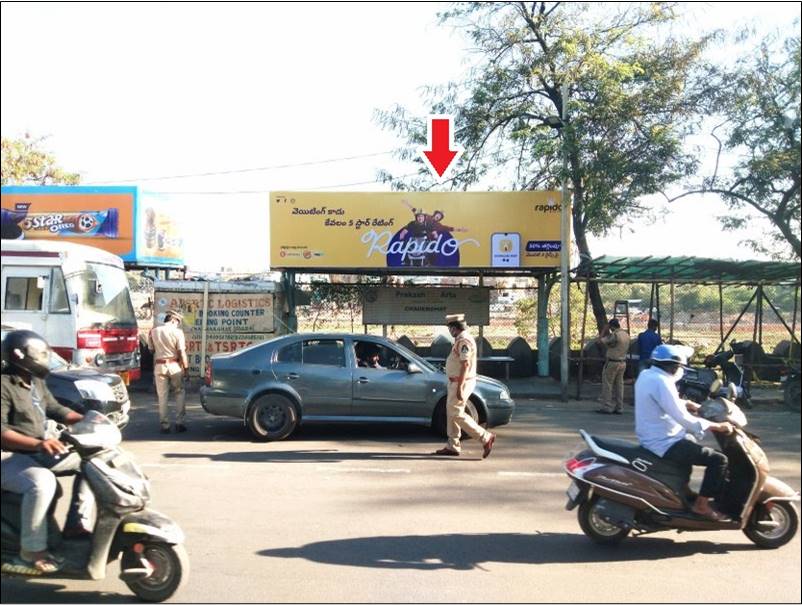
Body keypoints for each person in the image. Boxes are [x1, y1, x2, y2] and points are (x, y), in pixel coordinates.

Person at [1, 330, 95, 574]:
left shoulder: (35, 382)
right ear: (21, 355)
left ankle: (76, 524)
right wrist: (39, 444)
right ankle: (30, 552)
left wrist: (89, 421)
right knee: (41, 482)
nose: (45, 358)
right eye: (41, 354)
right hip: (8, 456)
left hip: (34, 451)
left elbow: (56, 409)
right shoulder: (3, 385)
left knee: (93, 462)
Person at [635, 344, 733, 521]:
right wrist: (718, 426)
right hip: (665, 442)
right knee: (719, 460)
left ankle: (684, 491)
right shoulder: (662, 382)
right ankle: (702, 506)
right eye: (679, 367)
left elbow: (666, 402)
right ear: (673, 366)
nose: (680, 370)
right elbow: (684, 420)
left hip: (653, 437)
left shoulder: (647, 375)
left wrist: (689, 404)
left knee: (690, 442)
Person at [434, 314, 496, 458]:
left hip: (460, 382)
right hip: (455, 381)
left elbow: (465, 364)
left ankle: (485, 437)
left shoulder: (464, 341)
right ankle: (453, 445)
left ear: (455, 328)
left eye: (450, 328)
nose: (449, 331)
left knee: (456, 413)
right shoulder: (461, 340)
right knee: (452, 413)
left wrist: (460, 387)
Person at [148, 309, 189, 433]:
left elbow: (151, 351)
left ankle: (165, 425)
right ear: (173, 320)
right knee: (179, 392)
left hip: (159, 366)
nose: (178, 324)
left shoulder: (153, 331)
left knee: (162, 396)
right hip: (174, 365)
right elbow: (181, 352)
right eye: (177, 322)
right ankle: (179, 423)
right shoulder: (178, 332)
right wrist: (186, 369)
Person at [597, 318, 631, 414]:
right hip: (623, 362)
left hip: (612, 362)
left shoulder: (614, 335)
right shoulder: (626, 335)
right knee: (620, 385)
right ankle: (619, 407)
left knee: (608, 384)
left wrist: (604, 330)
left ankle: (607, 406)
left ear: (611, 327)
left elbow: (600, 341)